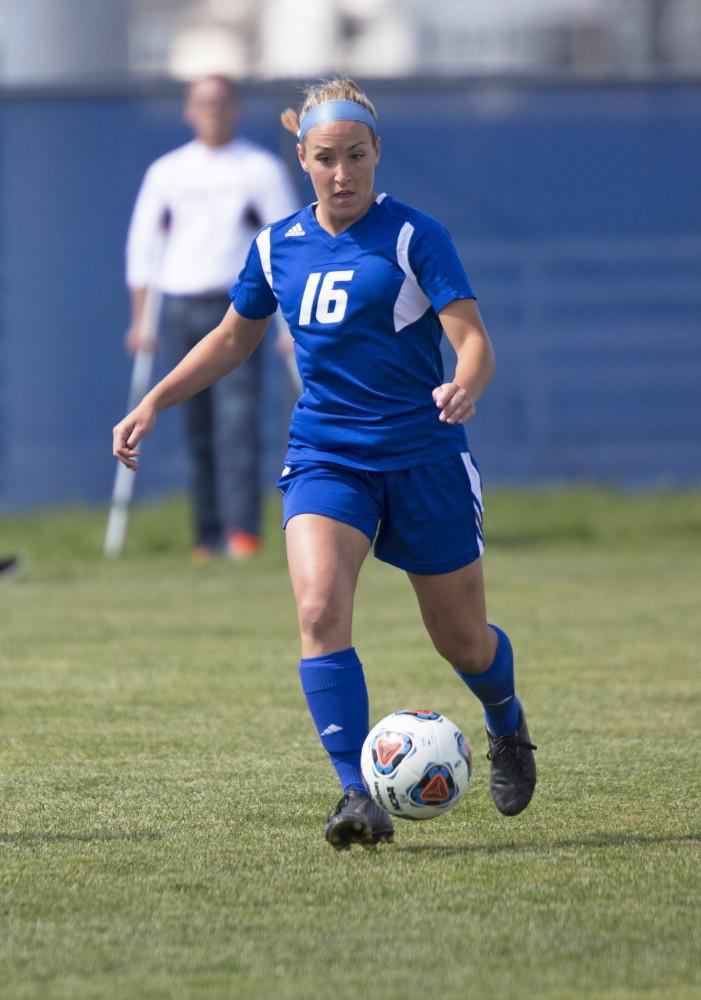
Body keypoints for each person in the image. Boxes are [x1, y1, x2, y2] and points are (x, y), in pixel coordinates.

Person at [114, 78, 537, 851]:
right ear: (301, 159)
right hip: (326, 453)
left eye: (355, 156)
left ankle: (506, 724)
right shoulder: (277, 245)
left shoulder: (414, 236)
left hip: (421, 456)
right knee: (316, 611)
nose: (341, 173)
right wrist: (154, 402)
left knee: (462, 641)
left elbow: (471, 338)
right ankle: (353, 793)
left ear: (376, 154)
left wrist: (464, 383)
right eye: (324, 158)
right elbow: (231, 338)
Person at [125, 74, 299, 561]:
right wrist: (141, 321)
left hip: (240, 307)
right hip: (182, 302)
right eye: (202, 102)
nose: (212, 110)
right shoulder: (168, 172)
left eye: (221, 102)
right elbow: (143, 246)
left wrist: (288, 323)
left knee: (238, 421)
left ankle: (243, 532)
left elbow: (286, 248)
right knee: (193, 423)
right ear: (188, 110)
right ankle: (207, 536)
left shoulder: (258, 168)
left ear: (235, 108)